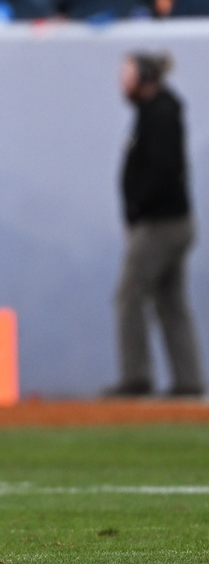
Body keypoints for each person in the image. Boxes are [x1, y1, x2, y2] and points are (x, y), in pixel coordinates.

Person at [105, 52, 204, 398]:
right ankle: (188, 380)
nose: (123, 83)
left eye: (128, 75)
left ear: (145, 78)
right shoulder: (156, 113)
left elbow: (162, 171)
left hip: (160, 222)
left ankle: (136, 376)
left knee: (129, 295)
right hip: (171, 220)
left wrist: (137, 208)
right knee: (171, 301)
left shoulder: (160, 116)